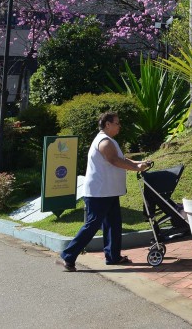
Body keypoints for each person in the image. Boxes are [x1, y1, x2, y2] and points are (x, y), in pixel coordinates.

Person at [58, 112, 149, 272]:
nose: (119, 126)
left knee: (113, 225)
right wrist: (135, 168)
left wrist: (139, 163)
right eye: (117, 123)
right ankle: (68, 255)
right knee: (92, 225)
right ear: (107, 124)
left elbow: (122, 159)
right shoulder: (104, 141)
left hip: (108, 191)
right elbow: (113, 160)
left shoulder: (108, 141)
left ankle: (113, 257)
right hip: (99, 193)